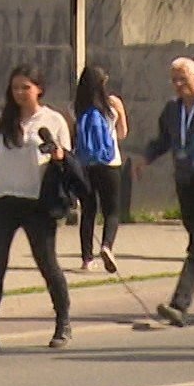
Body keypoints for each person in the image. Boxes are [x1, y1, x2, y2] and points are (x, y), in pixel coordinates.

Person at [135, 58, 194, 326]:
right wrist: (146, 159)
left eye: (182, 80)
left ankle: (180, 303)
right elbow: (164, 140)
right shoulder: (172, 111)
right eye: (174, 79)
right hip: (185, 182)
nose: (177, 85)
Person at [0, 65, 74, 351]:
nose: (20, 93)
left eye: (25, 87)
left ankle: (63, 322)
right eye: (15, 88)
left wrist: (57, 153)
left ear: (39, 88)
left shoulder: (53, 120)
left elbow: (66, 158)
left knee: (47, 263)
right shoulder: (2, 119)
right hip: (3, 199)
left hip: (38, 202)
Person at [71, 65, 128, 272]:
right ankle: (107, 246)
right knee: (112, 210)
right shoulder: (113, 104)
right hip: (110, 163)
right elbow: (122, 134)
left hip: (85, 165)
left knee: (88, 210)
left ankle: (87, 259)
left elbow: (74, 137)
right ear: (103, 83)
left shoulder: (76, 107)